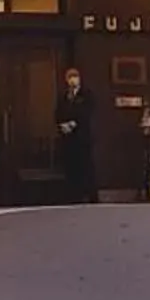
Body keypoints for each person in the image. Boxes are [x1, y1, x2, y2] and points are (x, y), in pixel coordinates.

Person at [55, 65, 96, 203]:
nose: (72, 80)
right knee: (70, 166)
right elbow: (58, 113)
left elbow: (87, 112)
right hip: (68, 138)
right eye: (70, 77)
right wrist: (62, 125)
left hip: (82, 137)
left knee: (86, 166)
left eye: (75, 77)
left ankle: (90, 195)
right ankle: (72, 195)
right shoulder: (63, 96)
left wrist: (74, 123)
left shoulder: (86, 94)